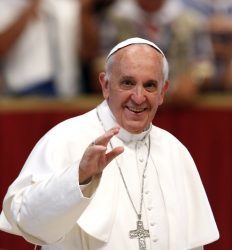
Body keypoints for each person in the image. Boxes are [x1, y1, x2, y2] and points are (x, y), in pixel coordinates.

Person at [0, 37, 219, 249]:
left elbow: (193, 243)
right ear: (105, 85)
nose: (139, 97)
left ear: (162, 92)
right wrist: (78, 177)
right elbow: (25, 220)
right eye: (127, 83)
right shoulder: (65, 138)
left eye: (150, 85)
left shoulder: (175, 151)